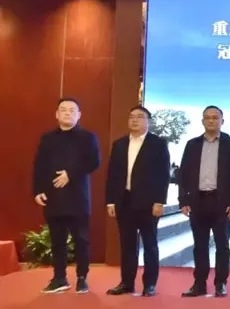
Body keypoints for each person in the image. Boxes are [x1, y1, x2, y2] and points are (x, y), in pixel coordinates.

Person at [33, 98, 100, 294]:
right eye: (63, 110)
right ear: (56, 114)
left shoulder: (88, 137)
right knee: (57, 241)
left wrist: (70, 174)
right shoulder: (47, 138)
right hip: (53, 197)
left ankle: (82, 277)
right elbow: (39, 165)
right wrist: (37, 190)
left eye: (72, 110)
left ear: (79, 115)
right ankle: (59, 278)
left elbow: (94, 162)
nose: (68, 113)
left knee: (81, 240)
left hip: (78, 198)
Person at [178, 106, 230, 298]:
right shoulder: (192, 145)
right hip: (198, 201)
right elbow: (183, 174)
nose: (211, 121)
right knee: (200, 245)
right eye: (207, 118)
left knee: (222, 245)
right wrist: (183, 200)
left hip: (221, 202)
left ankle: (220, 283)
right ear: (202, 121)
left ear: (222, 121)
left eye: (215, 118)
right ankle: (199, 283)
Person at [105, 106, 171, 297]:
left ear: (148, 121)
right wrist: (111, 201)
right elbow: (112, 175)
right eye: (132, 117)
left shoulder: (157, 144)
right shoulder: (119, 144)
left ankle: (149, 284)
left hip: (148, 203)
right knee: (127, 245)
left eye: (140, 117)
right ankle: (126, 283)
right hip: (124, 201)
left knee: (150, 244)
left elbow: (163, 175)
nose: (135, 120)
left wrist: (159, 201)